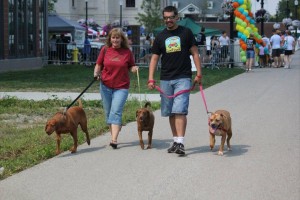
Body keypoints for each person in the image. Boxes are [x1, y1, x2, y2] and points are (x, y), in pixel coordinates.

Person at [147, 6, 202, 155]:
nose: (168, 20)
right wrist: (151, 78)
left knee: (180, 110)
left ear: (177, 17)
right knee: (170, 112)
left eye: (171, 17)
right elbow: (154, 58)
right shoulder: (160, 37)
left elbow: (195, 54)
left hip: (183, 77)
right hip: (165, 78)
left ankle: (180, 143)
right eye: (166, 18)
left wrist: (198, 73)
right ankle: (176, 140)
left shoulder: (186, 33)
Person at [93, 28, 139, 149]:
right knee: (109, 113)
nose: (115, 40)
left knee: (116, 112)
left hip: (121, 86)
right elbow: (98, 64)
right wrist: (96, 73)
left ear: (121, 39)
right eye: (113, 37)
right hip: (106, 85)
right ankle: (115, 129)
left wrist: (134, 69)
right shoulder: (105, 50)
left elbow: (131, 66)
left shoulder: (126, 52)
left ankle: (114, 140)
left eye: (117, 37)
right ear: (110, 39)